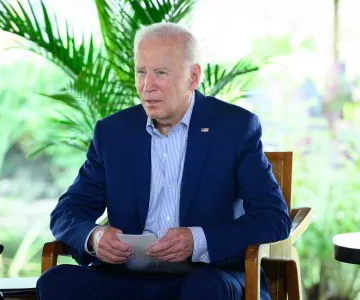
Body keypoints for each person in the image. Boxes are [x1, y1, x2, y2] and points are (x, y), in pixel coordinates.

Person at [36, 22, 291, 300]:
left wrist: (198, 240)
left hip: (208, 275)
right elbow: (67, 211)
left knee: (204, 289)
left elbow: (273, 217)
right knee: (55, 282)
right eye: (141, 72)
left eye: (160, 73)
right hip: (127, 277)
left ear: (193, 77)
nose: (147, 86)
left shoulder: (235, 128)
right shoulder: (113, 133)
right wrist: (94, 237)